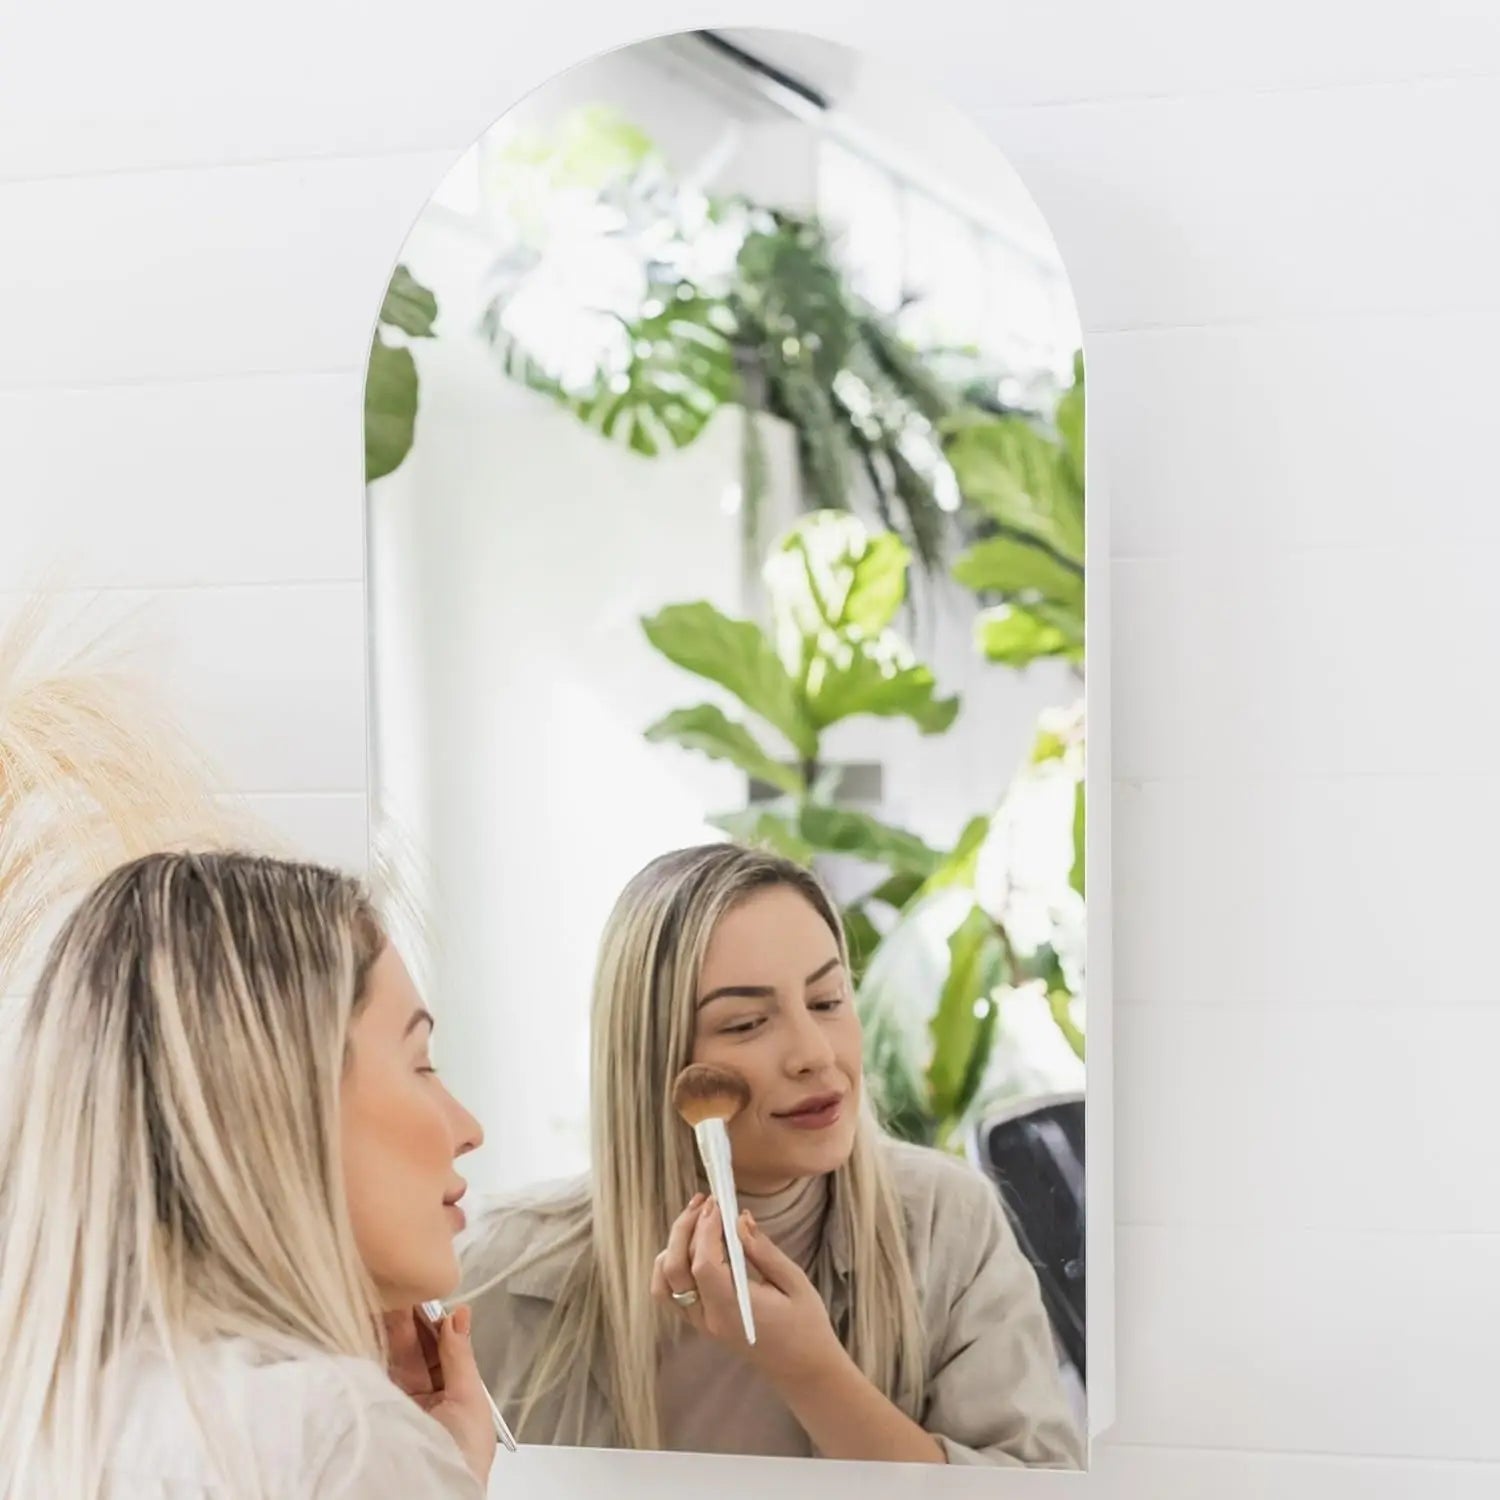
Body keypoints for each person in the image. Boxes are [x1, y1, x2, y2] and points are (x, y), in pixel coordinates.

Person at [458, 842, 1084, 1467]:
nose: (814, 1052)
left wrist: (810, 1370)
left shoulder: (948, 1225)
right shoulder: (496, 1272)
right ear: (650, 1060)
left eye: (827, 1001)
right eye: (746, 1023)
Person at [0, 850, 497, 1500]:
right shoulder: (339, 1440)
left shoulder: (50, 1408)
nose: (468, 1129)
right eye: (421, 1064)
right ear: (279, 1105)